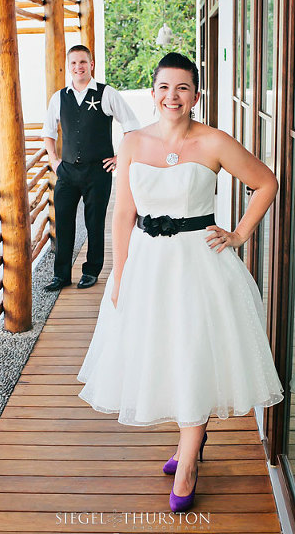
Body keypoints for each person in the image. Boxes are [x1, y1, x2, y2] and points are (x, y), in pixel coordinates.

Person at [77, 53, 283, 512]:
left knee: (194, 350)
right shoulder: (131, 142)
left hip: (200, 262)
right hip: (149, 263)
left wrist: (239, 234)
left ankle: (188, 462)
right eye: (165, 87)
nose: (173, 96)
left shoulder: (213, 141)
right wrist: (119, 270)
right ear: (152, 93)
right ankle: (191, 440)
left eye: (183, 88)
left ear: (196, 95)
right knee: (165, 351)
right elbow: (124, 214)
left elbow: (265, 182)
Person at [43, 45, 140, 292]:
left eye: (83, 62)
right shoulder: (59, 97)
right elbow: (48, 133)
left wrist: (120, 158)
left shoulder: (106, 94)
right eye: (74, 63)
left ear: (92, 64)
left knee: (94, 223)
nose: (78, 67)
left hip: (98, 172)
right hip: (67, 172)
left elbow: (132, 126)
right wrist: (54, 162)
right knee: (63, 224)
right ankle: (61, 275)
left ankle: (91, 271)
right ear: (69, 66)